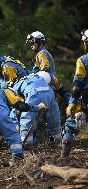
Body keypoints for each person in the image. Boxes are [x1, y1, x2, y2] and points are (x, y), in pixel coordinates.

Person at [0, 88, 46, 168]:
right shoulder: (7, 91)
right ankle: (17, 158)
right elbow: (21, 106)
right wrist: (37, 107)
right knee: (13, 134)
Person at [11, 74, 62, 145]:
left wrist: (15, 123)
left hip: (33, 93)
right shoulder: (42, 80)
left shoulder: (18, 84)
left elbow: (15, 106)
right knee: (53, 115)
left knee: (28, 116)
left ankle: (26, 143)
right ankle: (57, 138)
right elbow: (55, 113)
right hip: (49, 93)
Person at [62, 29, 88, 158]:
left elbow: (77, 87)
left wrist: (72, 103)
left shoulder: (83, 60)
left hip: (85, 101)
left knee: (70, 123)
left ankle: (64, 157)